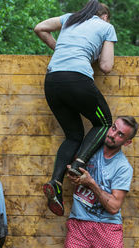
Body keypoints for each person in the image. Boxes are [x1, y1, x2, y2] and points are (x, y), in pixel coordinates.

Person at [34, 0, 117, 216]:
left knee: (73, 135)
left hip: (52, 81)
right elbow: (107, 67)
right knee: (104, 123)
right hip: (77, 79)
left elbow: (40, 28)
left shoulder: (70, 18)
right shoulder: (106, 27)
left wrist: (58, 48)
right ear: (105, 16)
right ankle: (79, 162)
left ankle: (56, 182)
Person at [62, 116, 139, 248]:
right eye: (113, 128)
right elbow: (70, 164)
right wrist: (72, 173)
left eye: (120, 135)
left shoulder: (123, 167)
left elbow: (114, 207)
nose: (112, 134)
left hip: (107, 226)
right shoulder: (88, 149)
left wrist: (91, 183)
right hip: (79, 221)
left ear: (127, 142)